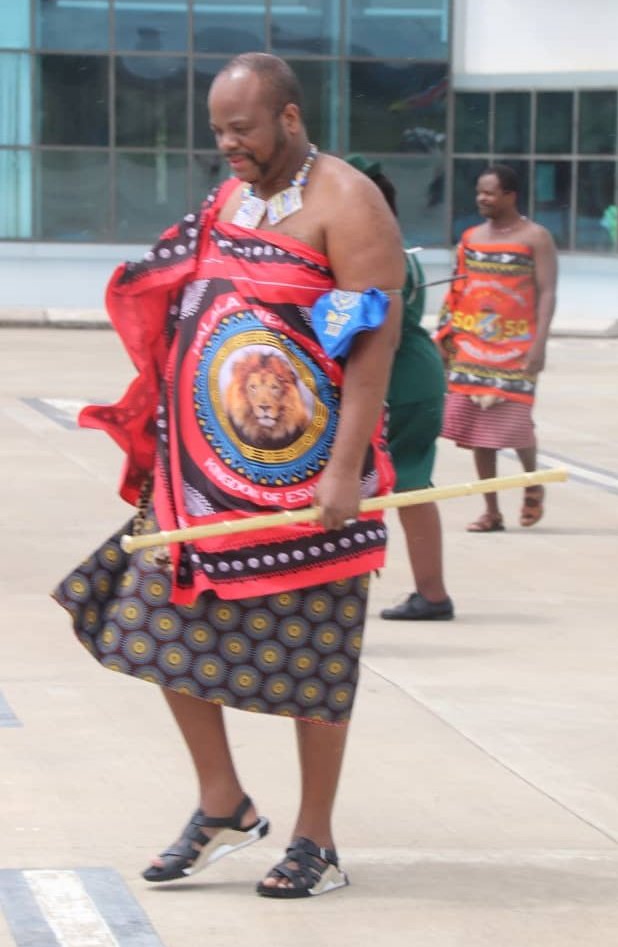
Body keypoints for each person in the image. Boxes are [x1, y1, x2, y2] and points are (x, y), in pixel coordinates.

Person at [52, 53, 404, 899]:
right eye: (217, 129)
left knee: (315, 661)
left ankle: (315, 840)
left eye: (240, 129)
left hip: (311, 480)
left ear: (288, 118)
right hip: (203, 477)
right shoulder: (231, 198)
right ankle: (223, 803)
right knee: (155, 624)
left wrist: (347, 469)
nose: (226, 145)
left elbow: (370, 346)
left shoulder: (349, 204)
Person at [345, 155, 453, 621]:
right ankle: (431, 593)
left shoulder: (374, 253)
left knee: (387, 485)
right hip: (415, 376)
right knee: (411, 485)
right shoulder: (397, 247)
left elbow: (368, 337)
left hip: (398, 382)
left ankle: (427, 595)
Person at [435, 164, 558, 532]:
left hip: (518, 348)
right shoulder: (471, 237)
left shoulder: (536, 238)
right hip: (472, 348)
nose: (482, 199)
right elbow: (458, 289)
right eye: (479, 192)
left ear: (510, 195)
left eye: (489, 192)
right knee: (479, 434)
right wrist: (447, 336)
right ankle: (492, 511)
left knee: (517, 427)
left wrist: (540, 344)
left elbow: (548, 291)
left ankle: (531, 482)